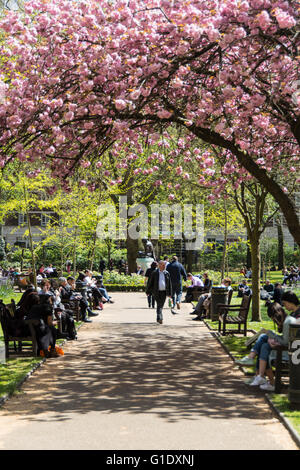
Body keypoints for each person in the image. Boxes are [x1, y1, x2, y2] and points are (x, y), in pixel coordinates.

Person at [236, 292, 300, 391]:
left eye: (285, 303)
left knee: (264, 344)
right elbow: (288, 338)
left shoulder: (293, 318)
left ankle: (259, 373)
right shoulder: (292, 315)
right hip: (291, 347)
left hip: (293, 351)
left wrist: (272, 335)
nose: (284, 306)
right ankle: (261, 376)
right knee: (264, 342)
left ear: (290, 302)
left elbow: (286, 341)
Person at [146, 260, 172, 324]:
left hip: (164, 292)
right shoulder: (154, 273)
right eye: (163, 265)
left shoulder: (167, 273)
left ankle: (158, 318)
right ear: (159, 265)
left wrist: (170, 293)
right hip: (156, 291)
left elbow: (169, 284)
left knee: (161, 305)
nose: (164, 266)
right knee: (159, 305)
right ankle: (160, 317)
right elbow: (150, 282)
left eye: (165, 265)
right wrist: (148, 291)